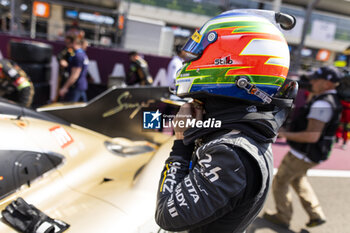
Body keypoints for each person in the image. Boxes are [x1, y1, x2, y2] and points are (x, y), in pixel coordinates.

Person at [155, 9, 297, 233]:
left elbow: (166, 216)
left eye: (198, 53)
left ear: (225, 62)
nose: (189, 61)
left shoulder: (230, 154)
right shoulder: (244, 130)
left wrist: (181, 142)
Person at [263, 66, 343, 228]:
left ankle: (282, 217)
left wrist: (284, 134)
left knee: (280, 182)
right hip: (312, 153)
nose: (311, 82)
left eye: (316, 79)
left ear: (327, 83)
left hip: (303, 153)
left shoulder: (323, 104)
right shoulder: (326, 99)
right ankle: (316, 213)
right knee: (297, 179)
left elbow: (311, 136)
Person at [59, 34, 89, 102]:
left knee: (70, 111)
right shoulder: (82, 54)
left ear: (74, 43)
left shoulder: (78, 56)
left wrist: (65, 88)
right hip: (80, 86)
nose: (67, 45)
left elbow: (75, 75)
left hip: (76, 87)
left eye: (68, 43)